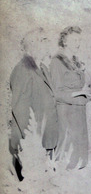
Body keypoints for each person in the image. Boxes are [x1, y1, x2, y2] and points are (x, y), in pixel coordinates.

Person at [9, 27, 59, 180]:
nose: (47, 44)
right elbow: (19, 108)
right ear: (33, 44)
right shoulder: (22, 69)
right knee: (32, 181)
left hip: (45, 136)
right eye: (43, 41)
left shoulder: (42, 67)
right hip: (32, 139)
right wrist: (26, 140)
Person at [50, 26, 91, 170]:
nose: (78, 43)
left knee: (79, 158)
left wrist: (87, 91)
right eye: (74, 40)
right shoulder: (56, 61)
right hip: (66, 112)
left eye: (79, 40)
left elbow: (89, 83)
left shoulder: (76, 61)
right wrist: (78, 93)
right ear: (65, 41)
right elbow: (56, 92)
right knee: (67, 156)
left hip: (78, 110)